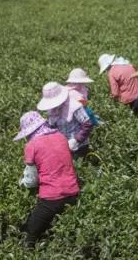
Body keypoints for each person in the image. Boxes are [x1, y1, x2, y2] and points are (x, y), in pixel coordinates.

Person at [16, 111, 79, 248]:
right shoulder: (61, 137)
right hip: (73, 192)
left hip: (51, 199)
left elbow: (31, 180)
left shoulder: (32, 146)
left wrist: (21, 182)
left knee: (30, 234)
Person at [38, 82, 93, 154]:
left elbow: (87, 124)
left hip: (80, 146)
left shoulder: (74, 106)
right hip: (63, 146)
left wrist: (77, 140)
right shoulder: (52, 110)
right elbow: (52, 127)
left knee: (80, 162)